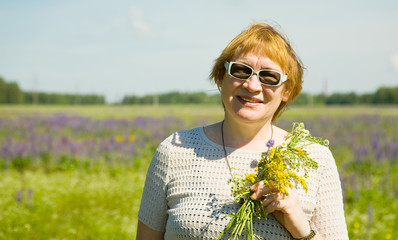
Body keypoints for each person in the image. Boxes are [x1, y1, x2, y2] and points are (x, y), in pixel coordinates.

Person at [136, 21, 348, 240]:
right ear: (221, 77)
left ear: (287, 90)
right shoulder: (175, 150)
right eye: (241, 70)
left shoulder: (316, 159)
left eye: (269, 76)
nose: (252, 85)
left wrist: (302, 229)